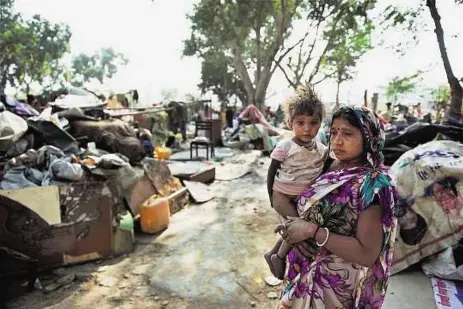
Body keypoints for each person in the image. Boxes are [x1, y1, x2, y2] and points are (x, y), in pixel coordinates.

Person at [274, 106, 398, 309]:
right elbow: (296, 203)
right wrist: (281, 246)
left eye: (347, 133)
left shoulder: (373, 184)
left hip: (332, 290)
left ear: (368, 137)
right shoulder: (329, 167)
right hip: (301, 274)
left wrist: (312, 231)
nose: (337, 140)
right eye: (334, 132)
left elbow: (367, 253)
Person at [265, 85, 328, 280]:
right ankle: (279, 256)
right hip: (282, 195)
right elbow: (271, 171)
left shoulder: (322, 150)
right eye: (300, 122)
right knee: (297, 225)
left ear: (320, 124)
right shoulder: (285, 146)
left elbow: (325, 171)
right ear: (290, 123)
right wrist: (271, 197)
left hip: (303, 198)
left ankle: (273, 253)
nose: (307, 128)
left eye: (313, 122)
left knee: (299, 225)